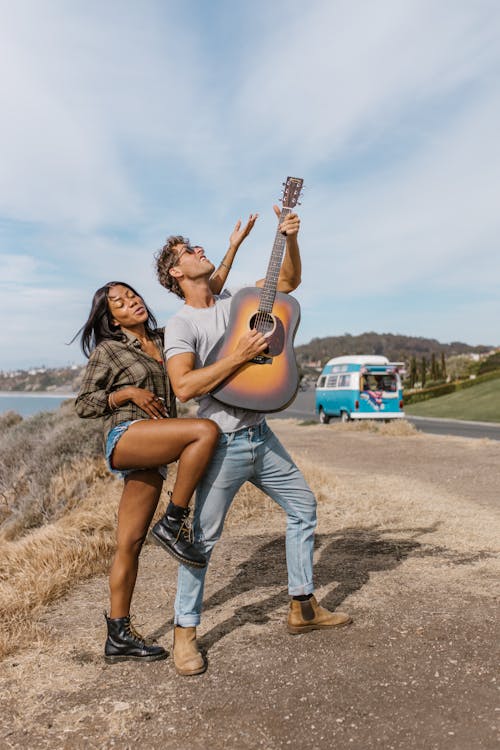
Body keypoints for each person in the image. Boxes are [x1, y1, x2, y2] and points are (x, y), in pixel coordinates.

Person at [155, 207, 352, 677]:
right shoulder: (181, 326)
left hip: (262, 436)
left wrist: (289, 237)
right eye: (189, 250)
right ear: (175, 272)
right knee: (201, 541)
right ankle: (186, 633)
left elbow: (288, 283)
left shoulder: (240, 301)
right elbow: (184, 387)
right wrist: (240, 354)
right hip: (220, 443)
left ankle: (302, 606)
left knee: (304, 507)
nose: (200, 249)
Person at [74, 281, 221, 663]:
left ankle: (118, 635)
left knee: (130, 542)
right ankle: (173, 521)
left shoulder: (165, 336)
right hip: (127, 436)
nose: (130, 303)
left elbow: (205, 292)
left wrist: (232, 251)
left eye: (131, 295)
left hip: (152, 453)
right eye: (118, 303)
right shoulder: (109, 350)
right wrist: (126, 394)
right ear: (111, 318)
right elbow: (85, 404)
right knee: (204, 432)